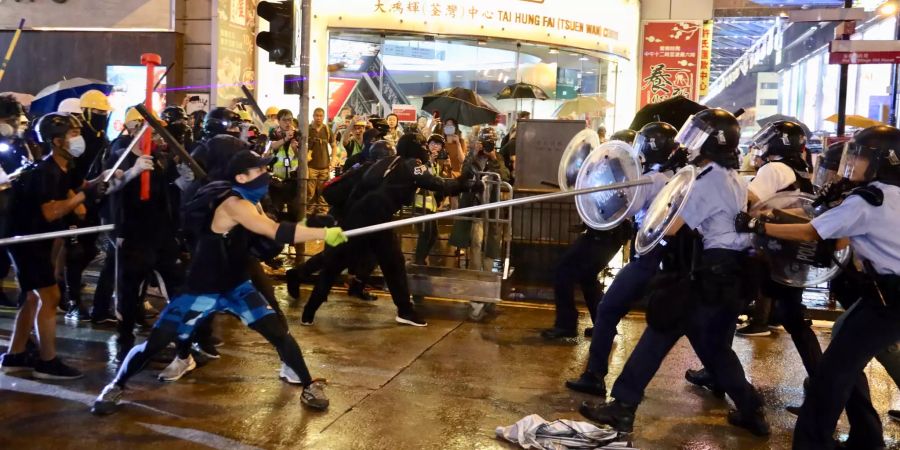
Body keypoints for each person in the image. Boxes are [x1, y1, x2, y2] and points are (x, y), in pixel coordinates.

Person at [91, 150, 348, 415]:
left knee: (279, 334)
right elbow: (275, 231)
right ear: (240, 177)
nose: (265, 175)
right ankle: (116, 385)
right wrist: (325, 234)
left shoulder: (248, 200)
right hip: (201, 289)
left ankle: (308, 384)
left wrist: (315, 227)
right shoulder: (234, 204)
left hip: (236, 286)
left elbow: (268, 234)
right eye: (259, 171)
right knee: (155, 343)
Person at [580, 109, 770, 437]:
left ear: (712, 142)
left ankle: (623, 407)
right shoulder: (733, 177)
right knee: (714, 348)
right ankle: (751, 408)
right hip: (733, 273)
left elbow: (670, 228)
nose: (690, 143)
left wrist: (650, 211)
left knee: (660, 330)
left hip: (710, 271)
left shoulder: (705, 179)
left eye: (698, 136)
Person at [735, 125, 900, 449]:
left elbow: (815, 232)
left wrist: (759, 224)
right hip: (883, 296)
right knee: (843, 349)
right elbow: (835, 228)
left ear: (884, 160)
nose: (853, 162)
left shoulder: (869, 200)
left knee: (831, 375)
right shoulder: (886, 195)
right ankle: (866, 437)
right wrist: (783, 213)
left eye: (862, 156)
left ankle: (813, 443)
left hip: (889, 299)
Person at [300, 134, 476, 327]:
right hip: (372, 222)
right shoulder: (409, 165)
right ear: (413, 147)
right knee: (377, 265)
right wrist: (464, 184)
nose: (426, 149)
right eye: (422, 146)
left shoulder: (388, 163)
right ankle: (404, 310)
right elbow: (435, 183)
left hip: (363, 219)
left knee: (358, 264)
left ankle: (309, 312)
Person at [564, 122, 684, 394]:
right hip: (668, 257)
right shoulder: (674, 174)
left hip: (650, 255)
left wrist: (610, 177)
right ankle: (744, 400)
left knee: (607, 310)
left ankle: (595, 377)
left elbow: (622, 208)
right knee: (693, 331)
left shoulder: (652, 179)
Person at [0, 113, 109, 379]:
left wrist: (107, 178)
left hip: (40, 241)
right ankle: (47, 362)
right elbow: (51, 211)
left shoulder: (66, 168)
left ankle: (15, 355)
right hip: (26, 242)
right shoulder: (45, 172)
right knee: (49, 297)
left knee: (30, 297)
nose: (77, 138)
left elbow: (82, 195)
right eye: (72, 134)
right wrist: (85, 195)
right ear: (57, 141)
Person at [538, 129, 638, 340]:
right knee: (586, 278)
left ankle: (567, 324)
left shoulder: (622, 171)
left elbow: (610, 204)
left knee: (562, 271)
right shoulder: (614, 169)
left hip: (606, 234)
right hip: (603, 233)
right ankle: (604, 326)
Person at [450, 127, 510, 272]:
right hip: (475, 205)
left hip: (492, 207)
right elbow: (464, 173)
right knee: (476, 241)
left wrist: (494, 158)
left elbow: (505, 176)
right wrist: (473, 155)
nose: (487, 146)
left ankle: (490, 272)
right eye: (485, 142)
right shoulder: (472, 156)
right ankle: (475, 271)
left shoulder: (498, 157)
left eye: (490, 142)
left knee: (492, 242)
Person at [266, 109, 300, 221]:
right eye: (284, 120)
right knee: (276, 211)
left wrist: (296, 149)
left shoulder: (297, 134)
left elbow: (302, 157)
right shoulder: (274, 132)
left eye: (290, 120)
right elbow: (272, 147)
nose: (288, 123)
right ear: (278, 121)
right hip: (276, 180)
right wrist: (286, 139)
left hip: (293, 178)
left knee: (294, 212)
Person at [307, 107, 336, 215]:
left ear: (323, 117)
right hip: (311, 167)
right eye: (316, 115)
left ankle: (323, 217)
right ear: (313, 116)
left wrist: (333, 160)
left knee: (323, 194)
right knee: (310, 194)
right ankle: (308, 217)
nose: (318, 118)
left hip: (324, 167)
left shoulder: (327, 130)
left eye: (321, 116)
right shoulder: (308, 129)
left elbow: (334, 146)